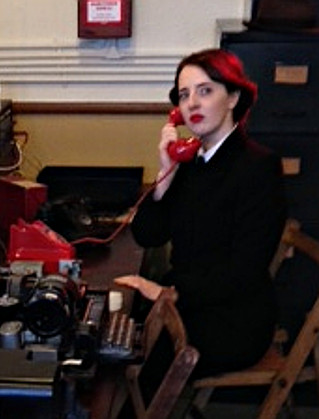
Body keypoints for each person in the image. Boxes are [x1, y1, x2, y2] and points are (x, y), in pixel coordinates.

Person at [114, 48, 287, 378]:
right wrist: (165, 173)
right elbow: (147, 234)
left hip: (232, 318)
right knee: (115, 337)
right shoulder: (192, 162)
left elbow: (244, 270)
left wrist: (169, 294)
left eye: (205, 91)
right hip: (189, 303)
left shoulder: (258, 167)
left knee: (130, 360)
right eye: (184, 95)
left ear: (233, 98)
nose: (192, 102)